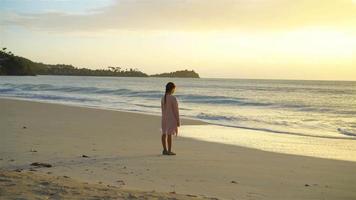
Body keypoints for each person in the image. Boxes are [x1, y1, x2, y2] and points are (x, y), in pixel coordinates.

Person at [161, 82, 180, 156]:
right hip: (171, 118)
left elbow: (162, 109)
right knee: (169, 134)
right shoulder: (172, 98)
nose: (174, 90)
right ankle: (169, 151)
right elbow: (176, 110)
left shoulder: (163, 97)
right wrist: (178, 121)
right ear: (172, 89)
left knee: (164, 133)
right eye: (174, 89)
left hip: (164, 118)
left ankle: (165, 150)